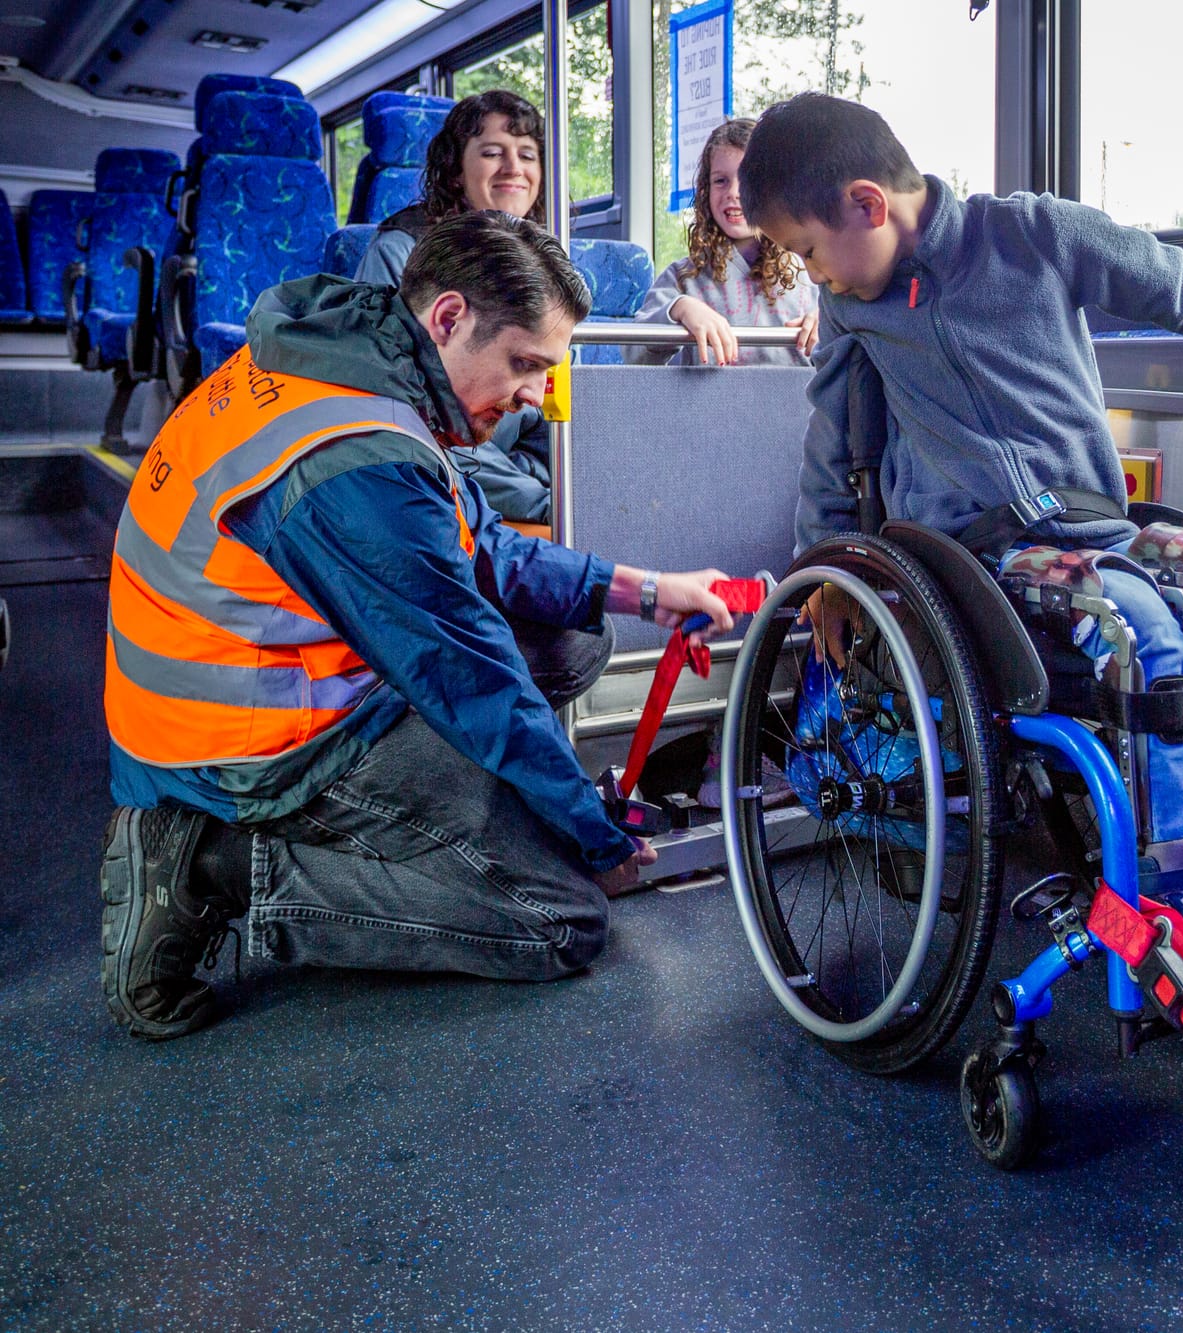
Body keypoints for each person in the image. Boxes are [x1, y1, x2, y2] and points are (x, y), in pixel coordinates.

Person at [737, 94, 1183, 998]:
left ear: (868, 204)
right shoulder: (855, 303)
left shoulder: (1037, 237)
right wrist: (822, 564)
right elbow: (833, 438)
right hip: (979, 556)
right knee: (1135, 620)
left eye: (807, 248)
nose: (812, 273)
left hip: (1097, 521)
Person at [100, 211, 738, 1041]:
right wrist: (588, 823)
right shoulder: (354, 457)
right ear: (448, 318)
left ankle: (472, 806)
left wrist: (648, 592)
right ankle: (220, 865)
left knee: (581, 636)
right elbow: (470, 676)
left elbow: (482, 546)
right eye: (526, 364)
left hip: (278, 661)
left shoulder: (355, 361)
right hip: (242, 740)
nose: (536, 396)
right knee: (562, 917)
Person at [355, 89, 555, 527]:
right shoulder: (400, 254)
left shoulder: (543, 265)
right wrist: (546, 502)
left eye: (527, 154)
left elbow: (551, 401)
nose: (514, 168)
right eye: (491, 153)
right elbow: (404, 414)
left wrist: (566, 479)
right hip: (426, 464)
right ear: (455, 171)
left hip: (506, 470)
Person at [626, 117, 819, 368]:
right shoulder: (682, 279)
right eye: (721, 181)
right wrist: (678, 309)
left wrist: (827, 323)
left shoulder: (812, 271)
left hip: (792, 406)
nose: (733, 192)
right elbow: (632, 353)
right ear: (706, 191)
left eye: (748, 180)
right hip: (705, 407)